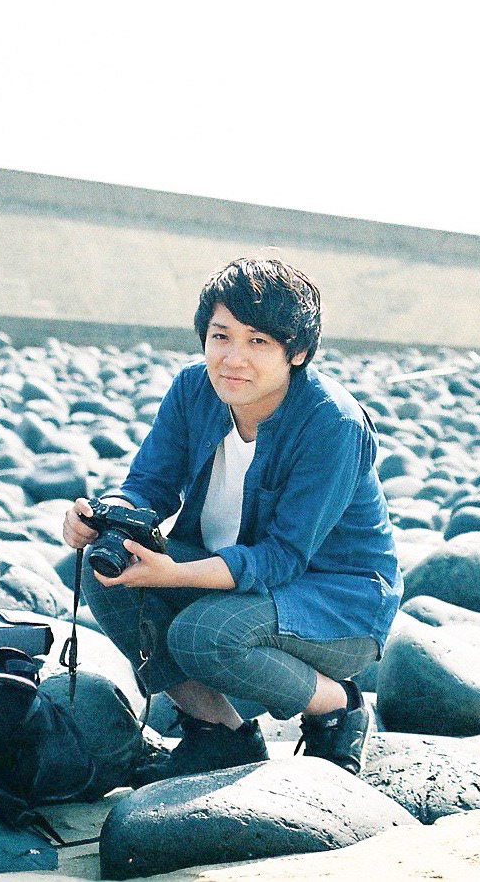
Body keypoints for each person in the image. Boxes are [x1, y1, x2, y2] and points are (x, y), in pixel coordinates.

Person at [62, 257, 402, 784]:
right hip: (235, 577)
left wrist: (175, 575)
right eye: (221, 336)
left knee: (203, 635)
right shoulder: (193, 390)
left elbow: (283, 557)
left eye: (257, 341)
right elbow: (149, 485)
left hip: (337, 603)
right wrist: (105, 516)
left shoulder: (331, 423)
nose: (233, 359)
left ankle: (338, 707)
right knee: (107, 570)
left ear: (297, 352)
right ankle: (220, 735)